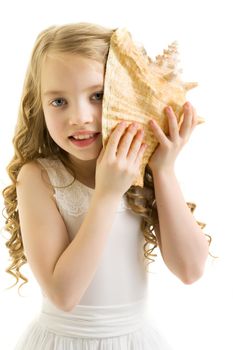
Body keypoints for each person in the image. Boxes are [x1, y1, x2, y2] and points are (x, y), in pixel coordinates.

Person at [2, 22, 210, 350]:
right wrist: (107, 193)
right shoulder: (39, 177)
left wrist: (164, 170)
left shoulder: (142, 169)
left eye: (97, 96)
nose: (80, 117)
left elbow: (190, 269)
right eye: (59, 102)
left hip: (135, 340)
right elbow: (63, 295)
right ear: (38, 107)